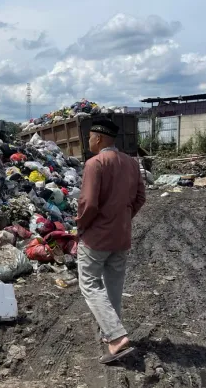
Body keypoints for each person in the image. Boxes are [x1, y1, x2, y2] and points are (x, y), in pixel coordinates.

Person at [76, 118, 146, 364]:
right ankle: (112, 337)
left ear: (100, 138)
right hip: (121, 236)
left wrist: (81, 226)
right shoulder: (131, 163)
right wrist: (123, 218)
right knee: (113, 287)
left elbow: (89, 203)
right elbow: (139, 198)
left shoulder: (95, 164)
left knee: (90, 285)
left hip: (96, 238)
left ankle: (116, 337)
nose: (89, 142)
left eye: (90, 138)